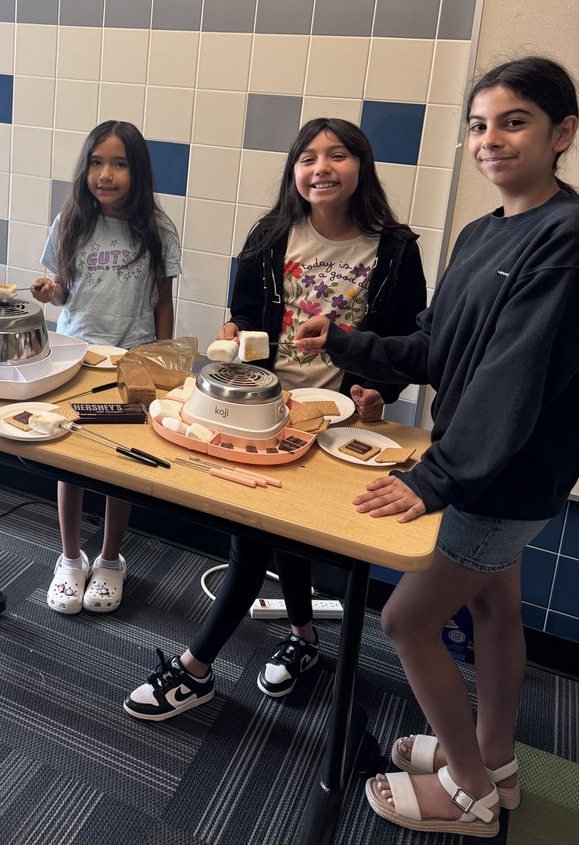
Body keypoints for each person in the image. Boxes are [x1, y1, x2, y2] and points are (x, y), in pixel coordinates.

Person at [293, 57, 579, 836]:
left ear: (562, 133)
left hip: (504, 478)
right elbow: (435, 347)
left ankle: (470, 793)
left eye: (514, 122)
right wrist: (346, 342)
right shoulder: (485, 232)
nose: (491, 140)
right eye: (480, 125)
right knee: (493, 610)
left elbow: (510, 379)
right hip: (492, 474)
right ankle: (495, 761)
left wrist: (433, 479)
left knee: (407, 624)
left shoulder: (565, 238)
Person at [124, 118, 426, 719]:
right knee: (258, 537)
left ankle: (201, 667)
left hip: (337, 423)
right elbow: (243, 312)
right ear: (294, 172)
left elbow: (408, 338)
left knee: (271, 537)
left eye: (337, 156)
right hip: (264, 414)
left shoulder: (394, 249)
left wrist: (378, 393)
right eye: (307, 157)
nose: (321, 168)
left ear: (362, 167)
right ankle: (285, 644)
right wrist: (233, 331)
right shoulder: (271, 234)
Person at [32, 120, 181, 615]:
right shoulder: (70, 221)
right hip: (76, 358)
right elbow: (64, 291)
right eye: (96, 163)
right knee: (69, 458)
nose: (106, 175)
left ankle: (111, 559)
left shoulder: (157, 229)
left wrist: (161, 363)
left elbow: (164, 302)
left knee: (120, 463)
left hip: (131, 363)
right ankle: (70, 558)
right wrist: (51, 292)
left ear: (138, 171)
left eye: (119, 164)